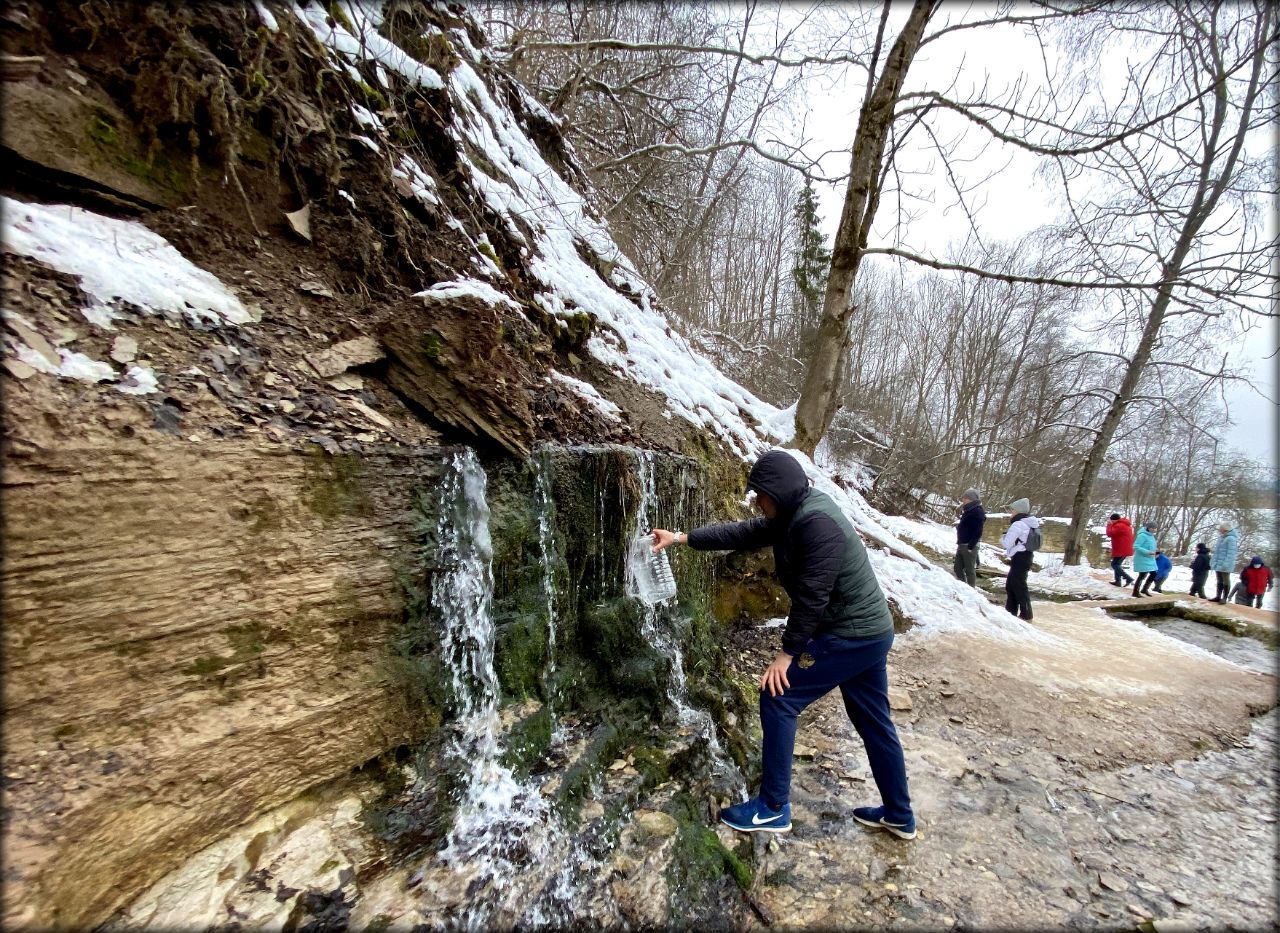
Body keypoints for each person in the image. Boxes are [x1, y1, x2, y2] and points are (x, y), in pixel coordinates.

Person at [651, 450, 915, 840]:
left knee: (778, 696)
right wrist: (681, 538)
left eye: (760, 494)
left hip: (853, 634)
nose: (757, 501)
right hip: (869, 633)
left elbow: (812, 600)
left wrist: (786, 656)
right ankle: (899, 815)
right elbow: (743, 532)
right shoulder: (794, 511)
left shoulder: (816, 525)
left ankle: (773, 808)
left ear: (778, 491)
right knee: (874, 722)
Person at [1000, 497, 1040, 621]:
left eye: (1012, 510)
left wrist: (1002, 538)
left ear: (1018, 511)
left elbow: (1007, 543)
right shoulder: (1030, 523)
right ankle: (1012, 611)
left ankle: (1025, 614)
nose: (1011, 513)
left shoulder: (1018, 524)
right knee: (1013, 584)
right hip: (1026, 556)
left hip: (1019, 557)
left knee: (1018, 585)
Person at [953, 488, 986, 588]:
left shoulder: (977, 512)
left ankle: (971, 589)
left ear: (972, 499)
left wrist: (971, 546)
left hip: (969, 545)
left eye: (966, 498)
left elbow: (978, 531)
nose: (963, 499)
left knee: (969, 570)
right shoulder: (968, 510)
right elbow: (968, 525)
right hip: (962, 543)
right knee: (957, 568)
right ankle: (963, 587)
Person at [1104, 513, 1136, 588]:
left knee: (1114, 564)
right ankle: (1118, 581)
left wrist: (1109, 525)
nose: (1111, 522)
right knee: (1117, 564)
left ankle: (1128, 578)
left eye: (1112, 520)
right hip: (1123, 548)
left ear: (1114, 520)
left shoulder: (1119, 525)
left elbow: (1109, 533)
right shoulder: (1124, 524)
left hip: (1121, 548)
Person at [1211, 523, 1239, 603]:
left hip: (1225, 564)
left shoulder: (1231, 539)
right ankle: (1218, 596)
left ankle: (1224, 598)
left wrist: (1226, 564)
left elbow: (1231, 553)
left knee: (1225, 580)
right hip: (1218, 563)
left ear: (1225, 529)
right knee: (1219, 580)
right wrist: (1214, 561)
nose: (1219, 530)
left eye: (1220, 528)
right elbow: (1217, 552)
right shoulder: (1221, 538)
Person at [1131, 522, 1158, 597]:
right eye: (1152, 528)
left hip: (1150, 559)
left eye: (1155, 528)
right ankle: (1135, 592)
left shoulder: (1152, 536)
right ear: (1148, 528)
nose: (1154, 529)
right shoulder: (1142, 535)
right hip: (1142, 558)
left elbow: (1151, 546)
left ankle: (1145, 589)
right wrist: (1147, 552)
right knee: (1142, 575)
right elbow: (1136, 546)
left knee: (1154, 573)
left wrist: (1156, 552)